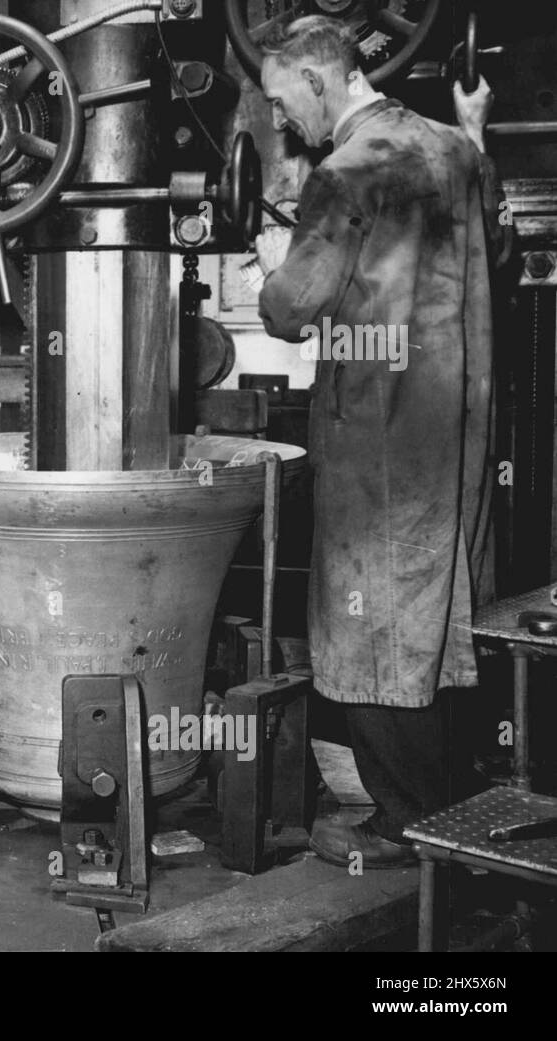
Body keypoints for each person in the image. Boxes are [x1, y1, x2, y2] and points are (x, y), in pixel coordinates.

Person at [251, 15, 511, 867]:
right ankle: (452, 806)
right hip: (459, 428)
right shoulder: (453, 149)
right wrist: (475, 130)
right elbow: (498, 247)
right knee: (435, 612)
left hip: (382, 434)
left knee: (374, 620)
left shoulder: (346, 172)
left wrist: (269, 262)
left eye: (285, 101)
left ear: (320, 79)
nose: (284, 121)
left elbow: (293, 309)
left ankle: (410, 823)